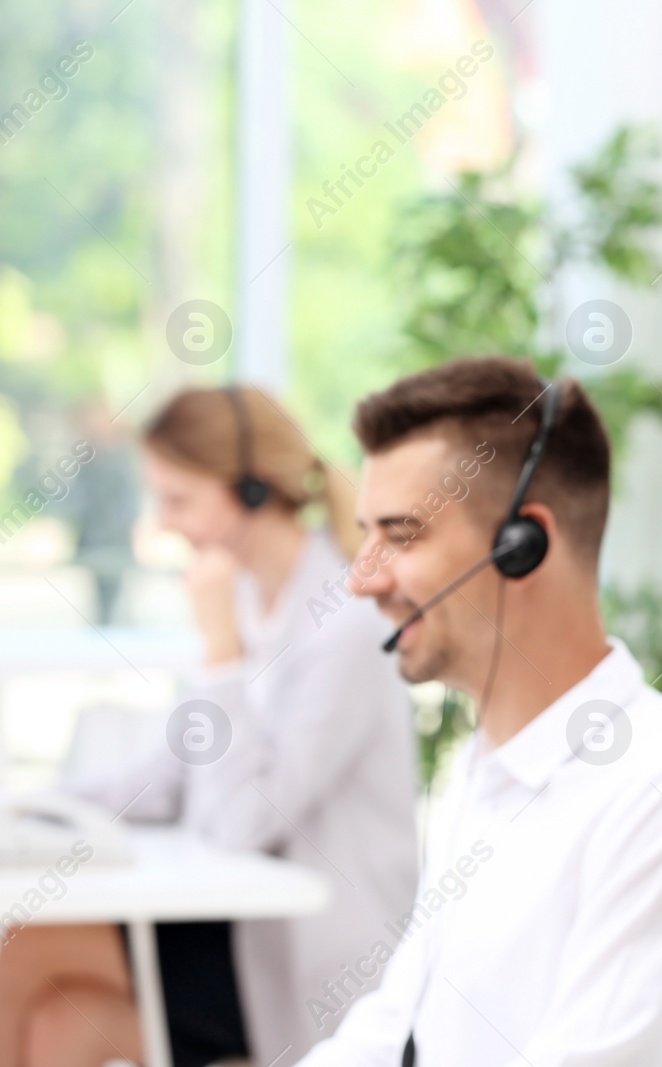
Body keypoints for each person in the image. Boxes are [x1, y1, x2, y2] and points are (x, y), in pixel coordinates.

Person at [290, 356, 662, 1065]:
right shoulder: (485, 767)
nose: (363, 579)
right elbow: (395, 1027)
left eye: (402, 532)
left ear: (523, 545)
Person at [0, 386, 419, 1067]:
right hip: (236, 929)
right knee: (56, 1022)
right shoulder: (251, 599)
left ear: (252, 490)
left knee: (23, 950)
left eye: (178, 500)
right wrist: (34, 808)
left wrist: (220, 652)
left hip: (306, 959)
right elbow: (164, 778)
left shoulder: (345, 622)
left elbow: (242, 823)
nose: (165, 525)